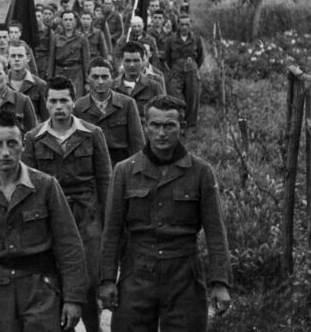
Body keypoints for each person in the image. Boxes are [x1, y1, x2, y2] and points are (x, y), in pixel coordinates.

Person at [0, 110, 87, 332]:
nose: (6, 152)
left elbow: (69, 245)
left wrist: (74, 298)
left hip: (41, 292)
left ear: (23, 145)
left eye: (12, 143)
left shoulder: (46, 186)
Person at [99, 96, 232, 331]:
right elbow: (112, 230)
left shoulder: (201, 172)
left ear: (181, 128)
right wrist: (107, 279)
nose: (161, 133)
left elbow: (215, 232)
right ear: (145, 126)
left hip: (184, 276)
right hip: (137, 273)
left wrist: (220, 282)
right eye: (155, 125)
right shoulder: (125, 171)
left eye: (169, 125)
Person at [21, 77, 112, 332]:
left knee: (89, 281)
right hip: (51, 220)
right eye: (53, 101)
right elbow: (28, 186)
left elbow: (105, 181)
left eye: (64, 100)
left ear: (74, 102)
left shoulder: (92, 134)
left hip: (87, 218)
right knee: (57, 283)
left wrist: (107, 223)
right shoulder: (33, 138)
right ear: (46, 104)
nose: (58, 106)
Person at [74, 58, 145, 167]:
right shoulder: (78, 107)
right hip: (91, 169)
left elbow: (137, 143)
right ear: (88, 78)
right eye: (95, 77)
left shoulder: (127, 104)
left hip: (120, 166)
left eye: (105, 77)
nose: (100, 82)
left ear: (112, 78)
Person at [165, 14, 204, 130]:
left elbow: (201, 57)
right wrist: (175, 67)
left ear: (191, 25)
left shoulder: (196, 39)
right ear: (178, 25)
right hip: (176, 71)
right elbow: (167, 57)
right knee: (175, 97)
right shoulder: (171, 39)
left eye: (187, 24)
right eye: (182, 24)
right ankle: (178, 123)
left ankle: (191, 125)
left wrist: (194, 67)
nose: (184, 27)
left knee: (193, 97)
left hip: (192, 71)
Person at [112, 42, 163, 125]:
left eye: (136, 61)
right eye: (128, 61)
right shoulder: (112, 87)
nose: (132, 65)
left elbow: (162, 115)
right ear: (122, 61)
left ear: (143, 61)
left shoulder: (154, 87)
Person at [47, 10, 91, 99]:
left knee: (76, 99)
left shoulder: (82, 38)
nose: (68, 22)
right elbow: (51, 59)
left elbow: (86, 61)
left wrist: (87, 81)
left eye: (70, 20)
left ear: (75, 22)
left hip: (76, 73)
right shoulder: (56, 38)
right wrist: (50, 77)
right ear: (62, 21)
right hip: (60, 72)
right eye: (65, 20)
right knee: (60, 97)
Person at [8, 40, 49, 121]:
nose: (16, 59)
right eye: (13, 56)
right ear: (7, 58)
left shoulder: (39, 85)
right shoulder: (1, 83)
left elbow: (46, 118)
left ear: (28, 58)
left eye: (20, 56)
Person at [35, 6, 55, 77]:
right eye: (35, 16)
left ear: (42, 17)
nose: (37, 19)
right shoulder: (30, 32)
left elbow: (51, 52)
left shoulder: (49, 32)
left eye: (39, 16)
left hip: (44, 62)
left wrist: (49, 70)